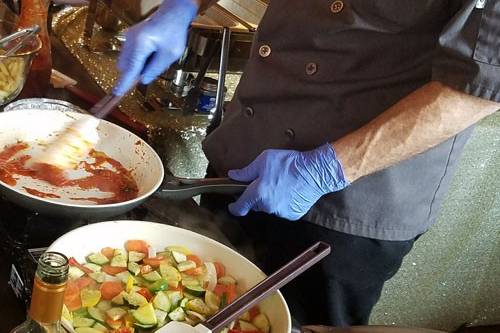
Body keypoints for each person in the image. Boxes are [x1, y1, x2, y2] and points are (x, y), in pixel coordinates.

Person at [114, 0, 500, 327]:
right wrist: (180, 7)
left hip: (347, 201)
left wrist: (327, 168)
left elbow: (478, 88)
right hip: (247, 141)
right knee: (194, 309)